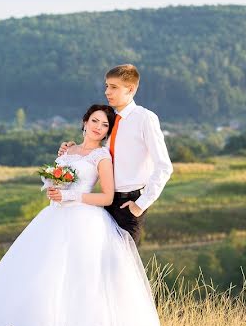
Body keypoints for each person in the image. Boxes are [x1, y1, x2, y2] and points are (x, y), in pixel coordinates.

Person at [0, 104, 167, 326]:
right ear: (85, 122)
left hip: (84, 219)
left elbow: (106, 197)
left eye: (105, 125)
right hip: (54, 218)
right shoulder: (67, 150)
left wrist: (70, 195)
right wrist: (52, 185)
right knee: (43, 272)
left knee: (79, 278)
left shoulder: (102, 157)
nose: (98, 127)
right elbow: (57, 176)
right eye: (95, 121)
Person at [58, 64, 173, 245]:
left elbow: (164, 166)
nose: (107, 92)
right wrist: (72, 148)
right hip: (106, 203)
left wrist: (140, 205)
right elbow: (95, 148)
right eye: (106, 86)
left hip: (130, 203)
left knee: (123, 262)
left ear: (131, 89)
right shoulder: (110, 120)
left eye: (113, 87)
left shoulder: (145, 118)